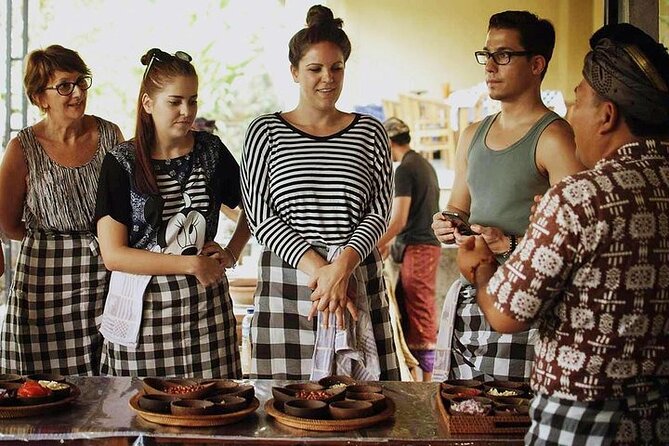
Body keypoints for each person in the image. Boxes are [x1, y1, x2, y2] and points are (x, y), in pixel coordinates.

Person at [457, 23, 669, 445]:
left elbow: (505, 314)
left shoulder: (581, 196)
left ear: (607, 116)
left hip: (583, 417)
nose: (571, 113)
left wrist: (480, 270)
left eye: (577, 101)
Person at [241, 4, 400, 380]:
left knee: (363, 405)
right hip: (290, 283)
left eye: (336, 67)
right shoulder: (265, 131)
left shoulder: (370, 131)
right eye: (314, 69)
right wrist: (323, 275)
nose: (327, 78)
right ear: (295, 72)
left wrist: (342, 266)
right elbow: (260, 216)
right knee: (284, 407)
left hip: (355, 275)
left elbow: (379, 210)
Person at [431, 10, 584, 381]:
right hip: (472, 297)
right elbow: (458, 207)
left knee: (508, 417)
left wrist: (509, 243)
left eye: (504, 55)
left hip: (525, 302)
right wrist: (447, 222)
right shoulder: (472, 133)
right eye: (487, 55)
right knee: (463, 411)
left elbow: (581, 232)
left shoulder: (553, 137)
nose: (490, 67)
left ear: (536, 64)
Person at [95, 48, 249, 377]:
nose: (186, 111)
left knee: (215, 409)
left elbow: (255, 207)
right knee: (140, 412)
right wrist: (190, 263)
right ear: (148, 103)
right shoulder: (121, 162)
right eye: (175, 101)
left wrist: (232, 252)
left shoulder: (212, 150)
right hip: (142, 308)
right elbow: (113, 255)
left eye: (192, 101)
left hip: (206, 306)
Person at [0, 45, 123, 375]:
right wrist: (56, 243)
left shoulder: (110, 135)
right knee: (40, 387)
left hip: (104, 277)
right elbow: (8, 223)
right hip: (42, 283)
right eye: (65, 85)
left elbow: (127, 208)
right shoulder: (22, 148)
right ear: (41, 97)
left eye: (82, 82)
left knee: (104, 386)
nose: (78, 92)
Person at [377, 117, 440, 382]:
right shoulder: (423, 164)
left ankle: (428, 384)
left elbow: (399, 219)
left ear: (389, 142)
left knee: (419, 314)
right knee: (412, 309)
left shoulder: (404, 169)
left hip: (419, 247)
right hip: (422, 246)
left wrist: (376, 242)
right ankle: (421, 379)